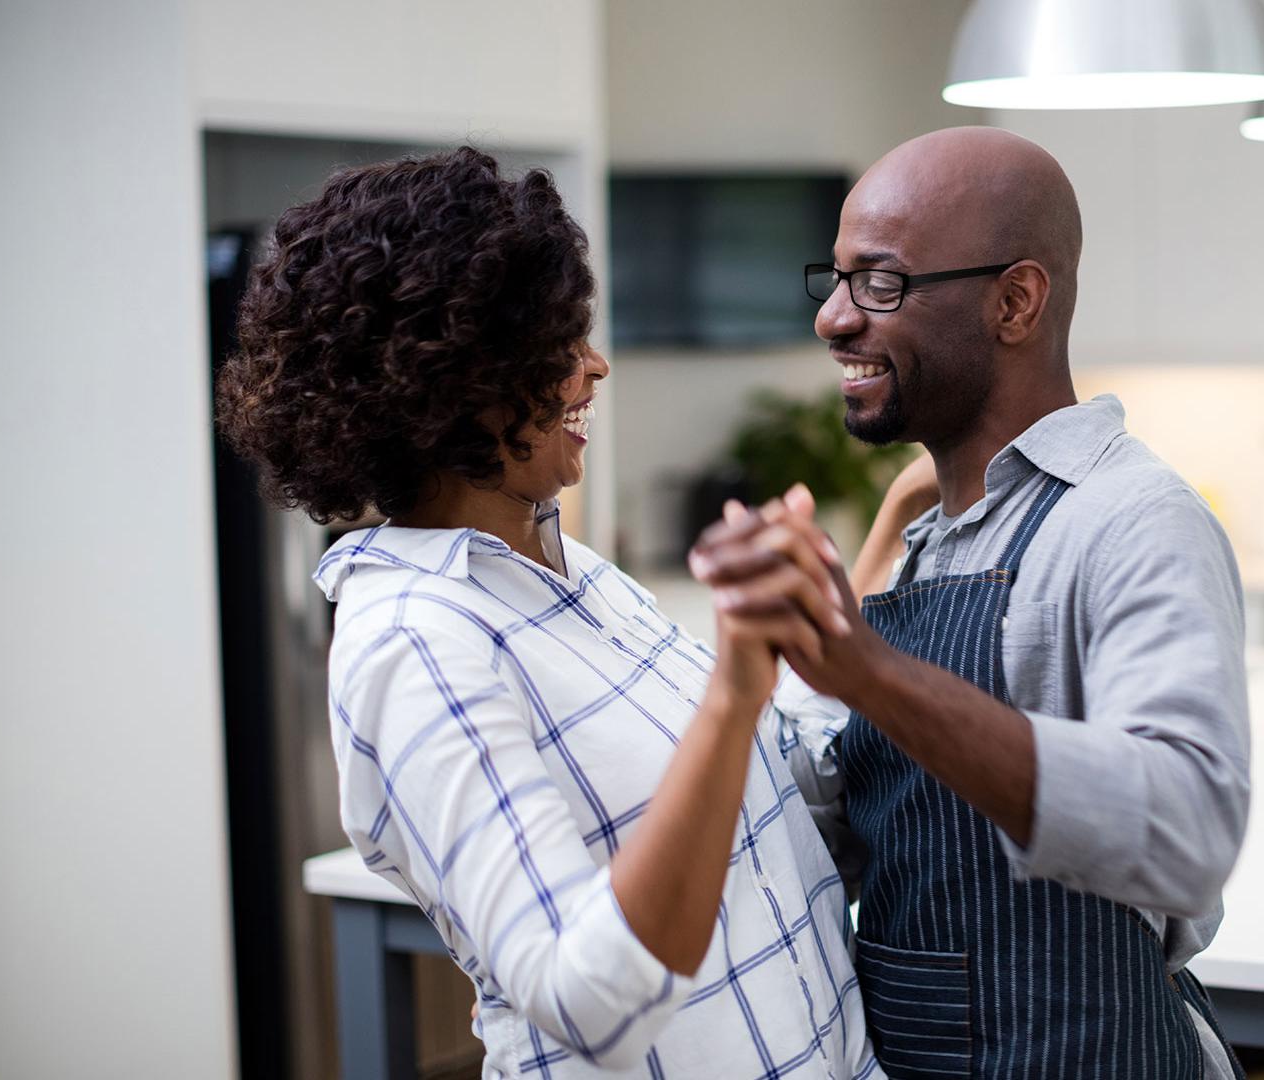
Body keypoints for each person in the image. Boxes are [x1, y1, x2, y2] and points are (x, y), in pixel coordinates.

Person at [217, 146, 883, 1079]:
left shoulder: (580, 578)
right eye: (557, 347)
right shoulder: (414, 642)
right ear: (450, 381)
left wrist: (888, 541)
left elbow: (776, 804)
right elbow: (589, 998)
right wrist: (734, 689)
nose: (594, 367)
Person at [693, 126, 1253, 1079]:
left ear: (1014, 302)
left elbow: (1189, 831)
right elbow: (847, 828)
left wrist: (868, 670)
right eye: (832, 280)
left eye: (881, 282)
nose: (833, 318)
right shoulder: (928, 549)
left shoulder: (1131, 520)